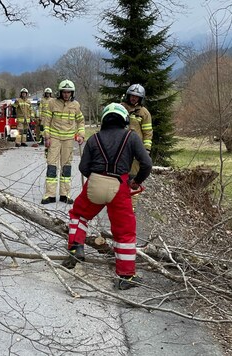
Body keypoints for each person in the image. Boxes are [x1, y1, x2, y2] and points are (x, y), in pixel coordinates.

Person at [61, 103, 152, 290]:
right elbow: (146, 164)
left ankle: (75, 248)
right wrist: (136, 181)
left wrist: (96, 177)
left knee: (78, 215)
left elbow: (83, 168)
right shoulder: (131, 137)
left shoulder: (94, 139)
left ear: (104, 120)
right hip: (120, 187)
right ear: (124, 119)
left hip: (95, 183)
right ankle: (126, 277)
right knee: (125, 232)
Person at [40, 80, 85, 204]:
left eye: (68, 92)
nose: (66, 94)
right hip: (54, 138)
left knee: (66, 167)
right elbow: (47, 121)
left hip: (68, 141)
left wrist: (81, 135)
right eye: (64, 92)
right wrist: (47, 137)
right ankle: (50, 195)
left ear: (72, 93)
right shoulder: (52, 103)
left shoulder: (75, 105)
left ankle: (65, 194)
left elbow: (80, 121)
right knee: (52, 165)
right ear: (60, 92)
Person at [121, 84, 152, 179]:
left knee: (132, 176)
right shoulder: (120, 108)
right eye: (132, 95)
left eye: (136, 96)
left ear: (140, 98)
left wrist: (146, 149)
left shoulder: (144, 113)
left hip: (136, 148)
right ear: (128, 96)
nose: (133, 98)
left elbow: (148, 132)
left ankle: (132, 193)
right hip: (121, 146)